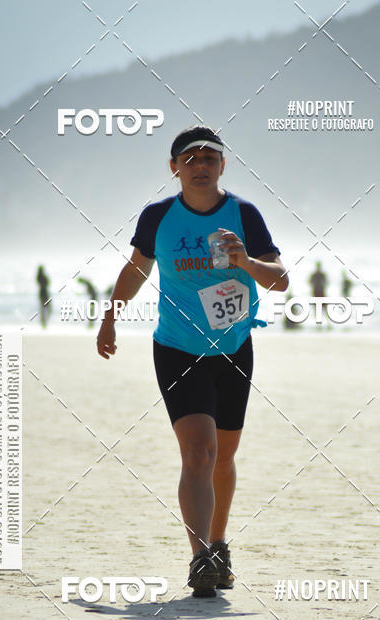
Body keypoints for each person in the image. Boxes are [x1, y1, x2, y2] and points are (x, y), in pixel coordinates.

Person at [96, 125, 288, 596]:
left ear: (223, 165)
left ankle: (219, 544)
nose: (200, 166)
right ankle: (200, 556)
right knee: (199, 452)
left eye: (209, 158)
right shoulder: (159, 216)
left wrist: (245, 262)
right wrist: (110, 317)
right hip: (178, 349)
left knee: (223, 458)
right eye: (191, 158)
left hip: (234, 350)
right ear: (174, 167)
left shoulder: (244, 214)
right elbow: (138, 268)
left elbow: (279, 279)